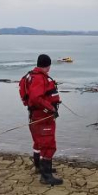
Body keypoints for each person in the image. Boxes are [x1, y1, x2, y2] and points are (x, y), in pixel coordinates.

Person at [22, 54, 63, 186]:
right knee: (48, 145)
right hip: (43, 117)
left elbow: (31, 97)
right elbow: (35, 98)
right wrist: (50, 107)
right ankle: (46, 176)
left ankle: (40, 167)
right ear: (48, 65)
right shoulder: (39, 78)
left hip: (35, 116)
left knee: (39, 143)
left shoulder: (31, 76)